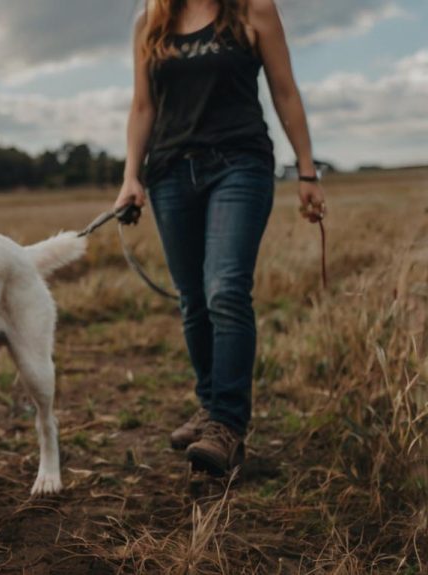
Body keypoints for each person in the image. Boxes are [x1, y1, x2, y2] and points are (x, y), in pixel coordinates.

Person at [114, 0, 326, 476]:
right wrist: (132, 176)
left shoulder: (254, 10)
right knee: (193, 300)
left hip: (239, 165)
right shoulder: (150, 20)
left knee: (225, 289)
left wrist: (307, 169)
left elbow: (285, 91)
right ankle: (210, 406)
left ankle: (228, 424)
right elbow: (143, 105)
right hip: (169, 173)